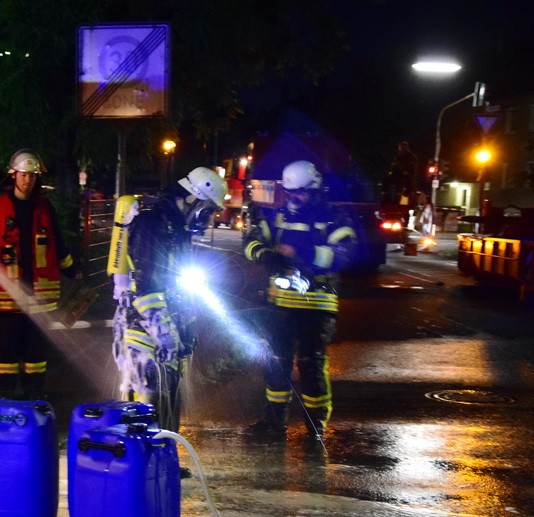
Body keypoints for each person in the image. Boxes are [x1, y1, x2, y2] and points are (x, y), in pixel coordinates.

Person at [242, 160, 358, 447]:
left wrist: (302, 253)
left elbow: (344, 252)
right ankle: (273, 422)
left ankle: (314, 428)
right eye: (290, 193)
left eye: (299, 193)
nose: (293, 199)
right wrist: (265, 256)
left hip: (317, 305)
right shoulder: (278, 216)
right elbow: (251, 240)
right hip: (281, 305)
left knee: (310, 365)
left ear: (314, 188)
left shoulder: (334, 217)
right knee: (276, 364)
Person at [107, 166, 227, 431]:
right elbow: (146, 285)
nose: (207, 221)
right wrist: (164, 332)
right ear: (192, 198)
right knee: (146, 406)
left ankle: (165, 463)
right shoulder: (153, 224)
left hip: (166, 332)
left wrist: (186, 328)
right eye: (206, 211)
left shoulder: (177, 230)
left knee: (169, 403)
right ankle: (145, 467)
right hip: (143, 333)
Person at [0, 149, 81, 400]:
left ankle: (34, 390)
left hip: (39, 295)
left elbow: (58, 243)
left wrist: (73, 269)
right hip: (9, 294)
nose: (27, 180)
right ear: (13, 175)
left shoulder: (45, 208)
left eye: (32, 175)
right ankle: (5, 392)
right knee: (6, 347)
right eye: (23, 175)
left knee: (35, 349)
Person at [385, 141, 418, 205]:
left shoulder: (410, 156)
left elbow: (413, 168)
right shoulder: (400, 156)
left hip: (406, 178)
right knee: (401, 193)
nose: (400, 148)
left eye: (401, 147)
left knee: (407, 193)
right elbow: (394, 166)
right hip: (402, 178)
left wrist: (405, 172)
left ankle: (407, 205)